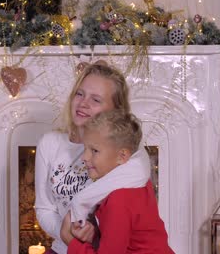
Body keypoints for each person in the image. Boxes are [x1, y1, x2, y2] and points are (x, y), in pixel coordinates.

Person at [34, 63, 151, 254]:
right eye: (80, 94)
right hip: (65, 247)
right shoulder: (50, 143)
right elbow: (44, 209)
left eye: (96, 99)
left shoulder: (127, 151)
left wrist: (82, 214)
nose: (83, 103)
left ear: (116, 111)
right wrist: (69, 232)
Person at [60, 110, 174, 254]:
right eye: (85, 148)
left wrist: (70, 241)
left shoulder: (119, 200)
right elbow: (126, 236)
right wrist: (94, 236)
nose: (84, 157)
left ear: (122, 156)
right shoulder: (136, 181)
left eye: (94, 150)